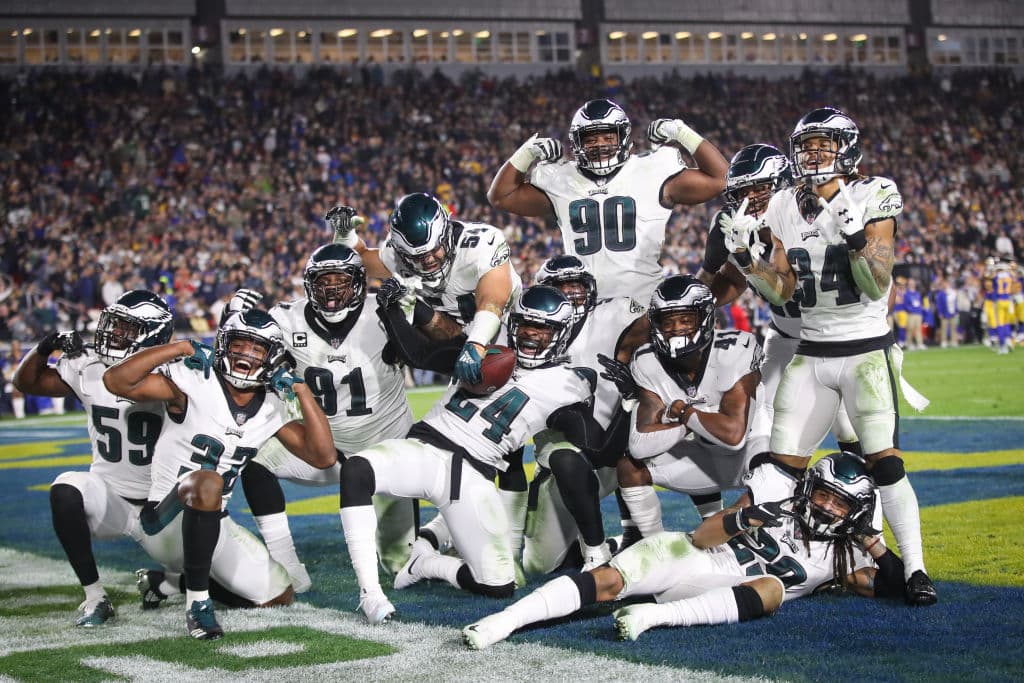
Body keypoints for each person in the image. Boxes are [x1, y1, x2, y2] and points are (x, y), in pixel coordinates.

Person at [719, 106, 936, 605]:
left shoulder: (874, 193)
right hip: (810, 351)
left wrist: (854, 230)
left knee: (885, 466)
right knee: (779, 466)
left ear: (847, 149)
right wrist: (747, 260)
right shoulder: (780, 207)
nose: (814, 154)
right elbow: (782, 292)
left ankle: (916, 569)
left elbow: (875, 281)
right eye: (807, 146)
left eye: (824, 145)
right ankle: (765, 552)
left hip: (865, 351)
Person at [341, 285, 608, 624]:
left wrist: (618, 406)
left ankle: (424, 563)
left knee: (498, 586)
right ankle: (370, 594)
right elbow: (421, 353)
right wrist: (394, 310)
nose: (529, 334)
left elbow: (594, 445)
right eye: (525, 324)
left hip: (474, 477)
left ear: (562, 334)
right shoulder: (484, 348)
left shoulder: (569, 382)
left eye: (542, 328)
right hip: (428, 448)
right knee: (357, 470)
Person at [462, 452, 905, 649]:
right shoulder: (775, 498)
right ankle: (505, 621)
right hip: (699, 559)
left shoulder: (845, 555)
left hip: (728, 596)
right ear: (809, 488)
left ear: (855, 512)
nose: (827, 506)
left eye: (840, 502)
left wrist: (872, 542)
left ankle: (652, 618)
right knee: (608, 582)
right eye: (824, 494)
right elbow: (702, 536)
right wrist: (744, 518)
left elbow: (893, 585)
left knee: (772, 587)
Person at [103, 309, 336, 639]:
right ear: (224, 345)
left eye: (258, 349)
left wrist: (302, 392)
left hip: (215, 521)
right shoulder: (195, 380)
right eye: (240, 345)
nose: (246, 355)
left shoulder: (272, 405)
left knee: (278, 597)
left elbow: (324, 457)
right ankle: (198, 606)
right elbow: (116, 380)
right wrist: (181, 348)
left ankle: (171, 583)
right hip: (164, 522)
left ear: (273, 359)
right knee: (207, 481)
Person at [239, 244, 418, 589]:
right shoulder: (286, 319)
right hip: (324, 450)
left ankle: (436, 538)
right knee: (256, 461)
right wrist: (233, 320)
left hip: (385, 449)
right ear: (308, 285)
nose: (332, 290)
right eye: (323, 281)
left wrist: (401, 309)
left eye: (341, 280)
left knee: (400, 564)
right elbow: (245, 348)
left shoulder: (382, 312)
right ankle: (288, 566)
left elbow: (421, 352)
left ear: (359, 283)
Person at [12, 290, 174, 627]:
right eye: (113, 324)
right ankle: (95, 597)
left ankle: (163, 583)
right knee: (66, 489)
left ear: (152, 335)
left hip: (163, 507)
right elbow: (26, 382)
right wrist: (46, 346)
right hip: (110, 499)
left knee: (239, 593)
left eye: (125, 329)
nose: (113, 333)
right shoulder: (90, 368)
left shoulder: (177, 374)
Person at [698, 144, 862, 455]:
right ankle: (774, 493)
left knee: (849, 425)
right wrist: (709, 270)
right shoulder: (737, 228)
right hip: (786, 334)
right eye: (744, 191)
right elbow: (733, 282)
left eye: (760, 187)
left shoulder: (811, 218)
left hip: (835, 334)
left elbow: (782, 286)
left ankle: (867, 491)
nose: (752, 198)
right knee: (765, 415)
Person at [487, 98, 728, 302]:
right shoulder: (562, 178)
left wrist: (681, 132)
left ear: (622, 137)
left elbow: (722, 179)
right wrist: (527, 153)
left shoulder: (651, 170)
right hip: (585, 302)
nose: (600, 145)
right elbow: (500, 196)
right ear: (577, 143)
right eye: (590, 139)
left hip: (643, 299)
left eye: (607, 137)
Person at [599, 275, 769, 543]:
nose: (676, 328)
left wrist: (683, 413)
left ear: (705, 318)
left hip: (751, 456)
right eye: (668, 321)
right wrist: (689, 421)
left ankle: (761, 540)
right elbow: (641, 445)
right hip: (699, 456)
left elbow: (734, 436)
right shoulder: (646, 361)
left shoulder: (735, 348)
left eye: (686, 319)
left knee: (776, 473)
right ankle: (653, 546)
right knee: (629, 466)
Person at [521, 255, 647, 574]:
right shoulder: (530, 338)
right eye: (561, 287)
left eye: (576, 286)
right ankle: (587, 545)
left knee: (667, 420)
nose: (572, 294)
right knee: (541, 564)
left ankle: (623, 539)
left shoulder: (614, 312)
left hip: (618, 450)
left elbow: (657, 324)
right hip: (572, 462)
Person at [327, 195, 522, 385]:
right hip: (461, 344)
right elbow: (360, 260)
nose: (428, 260)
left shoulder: (478, 246)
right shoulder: (398, 257)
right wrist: (345, 236)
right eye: (417, 257)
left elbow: (494, 299)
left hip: (511, 336)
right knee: (399, 300)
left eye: (433, 250)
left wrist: (477, 342)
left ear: (445, 233)